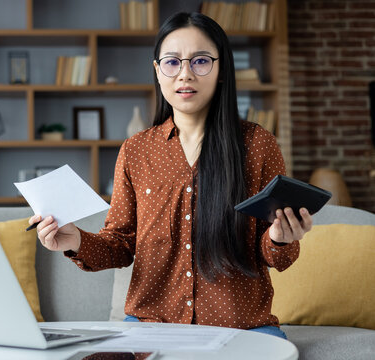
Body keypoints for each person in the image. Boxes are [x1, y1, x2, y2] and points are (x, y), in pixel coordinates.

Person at [29, 12, 312, 339]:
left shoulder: (257, 144)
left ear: (221, 71)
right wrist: (75, 239)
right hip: (152, 327)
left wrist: (281, 237)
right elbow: (120, 244)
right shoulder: (136, 151)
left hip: (242, 328)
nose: (185, 74)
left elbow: (273, 252)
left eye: (201, 61)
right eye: (172, 62)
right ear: (157, 71)